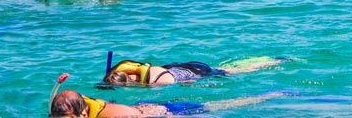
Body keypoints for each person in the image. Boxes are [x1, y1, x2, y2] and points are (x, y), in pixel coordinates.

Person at [50, 89, 291, 117]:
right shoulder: (72, 107)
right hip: (141, 105)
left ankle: (271, 96)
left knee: (223, 106)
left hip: (159, 113)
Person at [103, 56, 287, 87]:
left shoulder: (157, 83)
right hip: (181, 65)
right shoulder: (131, 70)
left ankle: (274, 63)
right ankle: (267, 60)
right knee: (228, 68)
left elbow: (186, 82)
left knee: (235, 72)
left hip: (198, 72)